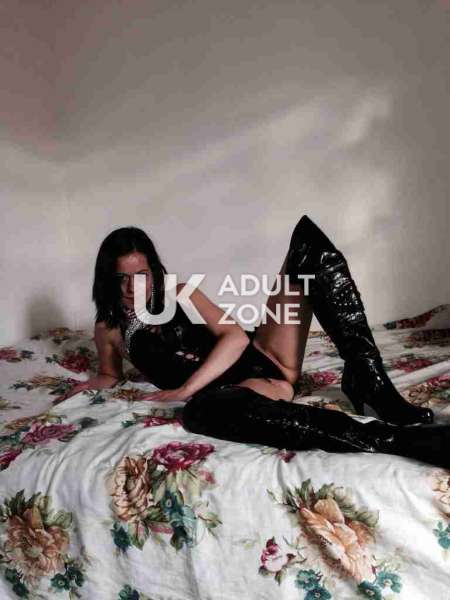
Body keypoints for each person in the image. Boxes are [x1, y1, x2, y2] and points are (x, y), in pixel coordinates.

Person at [57, 215, 450, 469]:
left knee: (309, 245)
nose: (131, 287)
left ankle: (368, 378)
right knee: (205, 410)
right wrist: (84, 386)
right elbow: (109, 375)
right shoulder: (108, 329)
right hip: (241, 389)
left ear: (154, 271)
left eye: (140, 274)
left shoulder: (178, 291)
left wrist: (185, 389)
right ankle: (403, 441)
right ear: (107, 280)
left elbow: (232, 336)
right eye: (121, 278)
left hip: (263, 355)